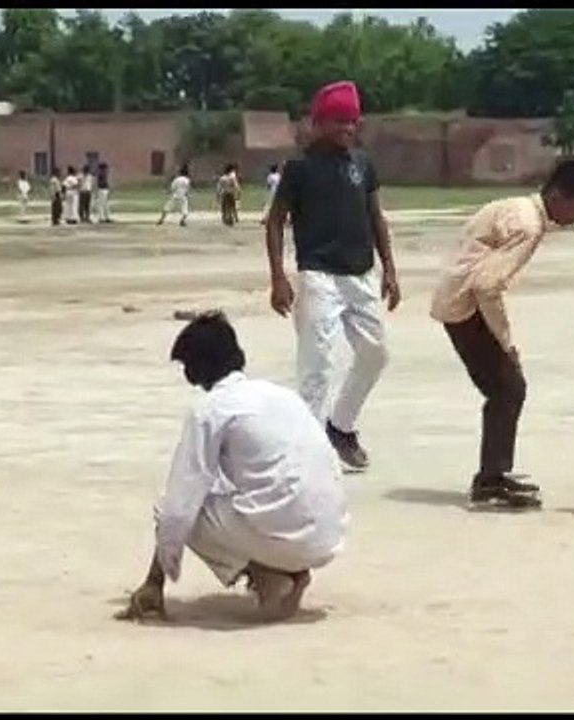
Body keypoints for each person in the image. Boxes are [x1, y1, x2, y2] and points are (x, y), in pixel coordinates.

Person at [115, 311, 348, 624]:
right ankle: (286, 567)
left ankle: (272, 574)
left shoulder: (210, 410)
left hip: (287, 535)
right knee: (244, 494)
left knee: (170, 511)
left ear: (198, 368)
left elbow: (179, 505)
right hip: (328, 534)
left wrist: (156, 580)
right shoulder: (283, 396)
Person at [429, 159, 574, 509]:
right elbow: (486, 286)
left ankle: (493, 476)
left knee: (504, 390)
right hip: (466, 308)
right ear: (557, 195)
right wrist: (506, 343)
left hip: (456, 299)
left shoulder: (517, 208)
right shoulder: (528, 225)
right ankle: (489, 483)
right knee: (509, 388)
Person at [266, 80, 399, 472]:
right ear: (319, 123)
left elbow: (376, 216)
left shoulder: (362, 165)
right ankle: (306, 453)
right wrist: (278, 276)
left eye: (352, 122)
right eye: (339, 121)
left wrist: (389, 267)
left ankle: (340, 428)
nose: (347, 129)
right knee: (317, 365)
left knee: (376, 354)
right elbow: (274, 221)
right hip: (318, 275)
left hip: (360, 274)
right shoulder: (299, 168)